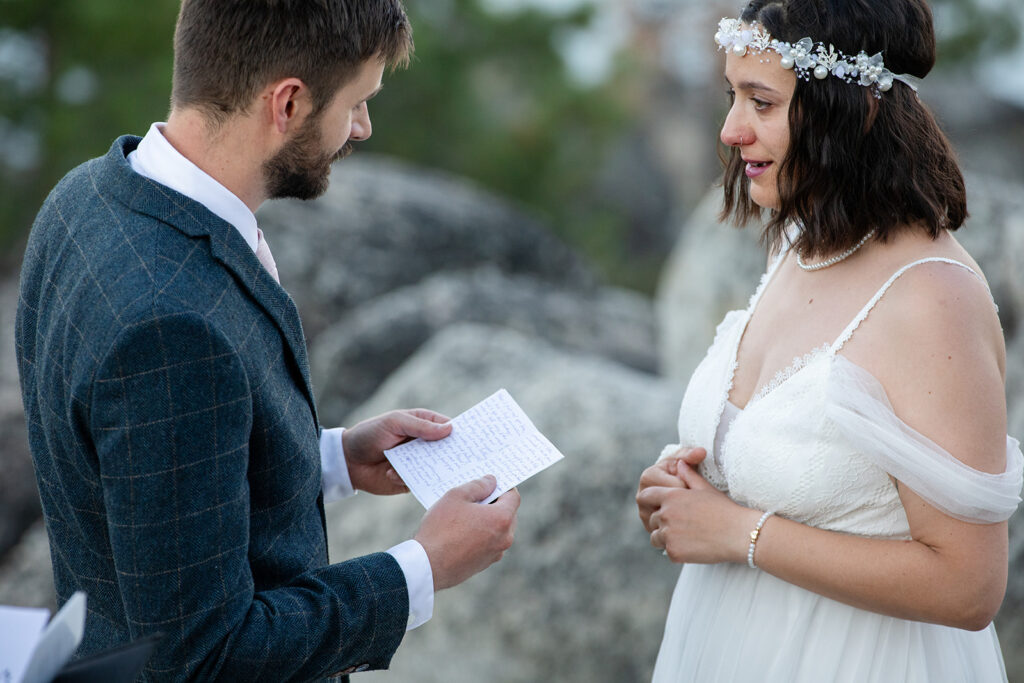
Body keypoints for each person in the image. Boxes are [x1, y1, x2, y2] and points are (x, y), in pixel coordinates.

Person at [15, 0, 520, 679]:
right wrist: (421, 569)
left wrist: (333, 457)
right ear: (287, 103)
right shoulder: (171, 327)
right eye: (357, 102)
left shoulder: (84, 198)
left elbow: (146, 473)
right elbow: (206, 654)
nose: (362, 127)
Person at [635, 0, 1023, 680]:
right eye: (733, 96)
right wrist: (688, 486)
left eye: (761, 101)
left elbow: (969, 585)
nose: (730, 130)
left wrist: (737, 532)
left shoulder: (933, 297)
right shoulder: (797, 242)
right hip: (727, 646)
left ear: (855, 109)